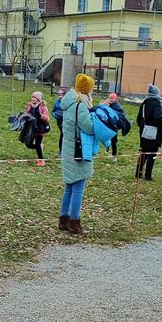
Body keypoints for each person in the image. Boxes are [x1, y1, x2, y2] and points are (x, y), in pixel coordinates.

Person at [58, 74, 95, 235]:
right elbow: (88, 127)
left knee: (69, 187)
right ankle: (74, 221)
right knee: (78, 188)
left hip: (68, 148)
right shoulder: (80, 105)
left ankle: (63, 219)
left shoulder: (69, 102)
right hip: (78, 150)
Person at [135, 84, 162, 181]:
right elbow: (158, 117)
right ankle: (148, 175)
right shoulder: (156, 103)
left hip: (144, 131)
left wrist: (143, 126)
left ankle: (138, 173)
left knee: (143, 152)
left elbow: (139, 118)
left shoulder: (144, 102)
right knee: (152, 153)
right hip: (154, 132)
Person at [101, 92, 129, 162]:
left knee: (114, 141)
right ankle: (107, 150)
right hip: (108, 125)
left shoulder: (117, 106)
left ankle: (114, 156)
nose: (110, 100)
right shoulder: (107, 104)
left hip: (114, 126)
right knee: (106, 138)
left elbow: (120, 115)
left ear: (115, 99)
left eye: (112, 98)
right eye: (109, 98)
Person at [25, 91, 50, 166]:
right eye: (32, 97)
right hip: (31, 128)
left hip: (40, 128)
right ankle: (40, 146)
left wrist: (41, 116)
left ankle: (41, 161)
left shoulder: (42, 106)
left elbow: (47, 118)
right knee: (28, 144)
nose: (33, 98)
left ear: (38, 99)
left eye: (34, 97)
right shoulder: (29, 105)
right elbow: (26, 113)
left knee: (37, 144)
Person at [52, 88, 66, 158]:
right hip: (59, 120)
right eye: (59, 95)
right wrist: (55, 115)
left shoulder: (67, 102)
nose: (60, 96)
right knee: (62, 134)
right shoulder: (57, 102)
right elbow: (53, 111)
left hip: (66, 120)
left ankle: (66, 150)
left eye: (61, 95)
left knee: (65, 134)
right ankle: (61, 150)